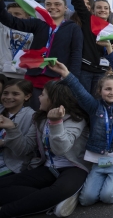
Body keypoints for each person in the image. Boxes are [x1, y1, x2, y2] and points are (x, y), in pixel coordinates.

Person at [49, 61, 113, 206]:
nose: (112, 92)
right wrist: (65, 73)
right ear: (100, 91)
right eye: (107, 89)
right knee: (86, 200)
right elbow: (80, 91)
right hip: (100, 160)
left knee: (108, 197)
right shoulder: (94, 107)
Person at [0, 80, 89, 217]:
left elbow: (61, 149)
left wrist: (55, 123)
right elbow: (25, 148)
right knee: (4, 185)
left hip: (74, 168)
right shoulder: (39, 119)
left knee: (58, 190)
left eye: (42, 94)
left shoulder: (76, 120)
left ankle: (6, 211)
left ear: (53, 99)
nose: (38, 97)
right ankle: (51, 201)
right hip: (48, 167)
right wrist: (11, 128)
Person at [0, 0, 83, 111]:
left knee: (51, 111)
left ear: (65, 8)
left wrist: (72, 79)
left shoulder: (73, 28)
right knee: (30, 111)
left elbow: (76, 54)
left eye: (57, 4)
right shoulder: (39, 23)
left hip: (56, 77)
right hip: (33, 76)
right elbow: (11, 21)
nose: (52, 7)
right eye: (48, 4)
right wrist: (1, 0)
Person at [72, 0, 110, 95]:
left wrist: (111, 50)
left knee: (98, 104)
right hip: (85, 71)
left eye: (106, 8)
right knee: (82, 102)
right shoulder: (88, 20)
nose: (102, 10)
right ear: (92, 10)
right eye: (98, 7)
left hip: (103, 72)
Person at [0, 80, 35, 176]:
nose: (8, 97)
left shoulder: (32, 116)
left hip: (11, 163)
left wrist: (4, 142)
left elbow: (23, 150)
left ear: (27, 96)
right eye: (5, 93)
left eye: (15, 94)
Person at [0, 3, 32, 80]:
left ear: (28, 17)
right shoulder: (2, 27)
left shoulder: (34, 32)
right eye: (9, 14)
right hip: (2, 74)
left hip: (23, 76)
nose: (12, 16)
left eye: (17, 14)